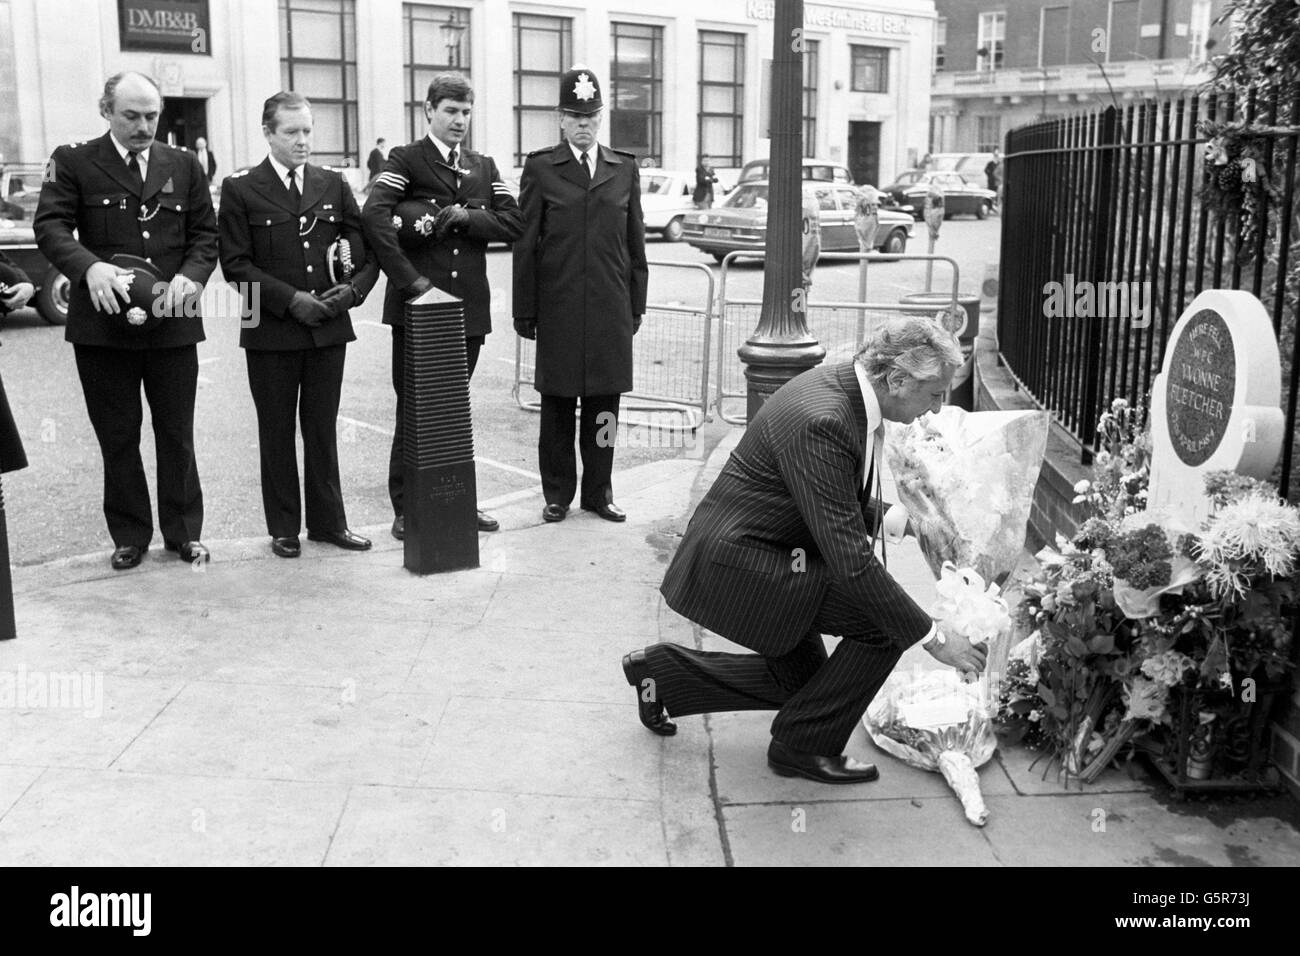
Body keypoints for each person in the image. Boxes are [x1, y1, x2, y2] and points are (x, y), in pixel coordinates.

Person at [621, 316, 987, 783]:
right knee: (885, 624)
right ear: (897, 379)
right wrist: (934, 638)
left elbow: (826, 495)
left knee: (809, 687)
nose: (938, 407)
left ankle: (662, 675)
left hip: (766, 550)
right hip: (742, 564)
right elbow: (852, 563)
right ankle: (803, 747)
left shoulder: (845, 387)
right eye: (935, 393)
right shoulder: (826, 419)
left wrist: (908, 521)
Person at [34, 71, 218, 571]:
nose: (143, 126)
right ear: (106, 111)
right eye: (131, 115)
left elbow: (205, 233)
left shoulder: (182, 164)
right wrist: (87, 266)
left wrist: (192, 278)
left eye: (151, 116)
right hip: (104, 325)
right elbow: (50, 225)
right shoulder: (73, 161)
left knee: (177, 432)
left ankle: (184, 533)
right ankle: (130, 534)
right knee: (117, 434)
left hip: (172, 319)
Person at [218, 91, 380, 559]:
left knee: (322, 428)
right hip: (270, 329)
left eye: (308, 131)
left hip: (328, 325)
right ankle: (284, 527)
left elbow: (363, 249)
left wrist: (352, 293)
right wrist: (291, 301)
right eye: (291, 132)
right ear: (268, 132)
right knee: (276, 429)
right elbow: (235, 265)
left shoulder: (332, 183)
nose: (302, 141)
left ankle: (330, 524)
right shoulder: (242, 187)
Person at [362, 73, 523, 541]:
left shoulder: (483, 166)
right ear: (429, 110)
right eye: (451, 111)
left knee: (454, 408)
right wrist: (410, 282)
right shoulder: (406, 159)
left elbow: (515, 221)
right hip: (418, 306)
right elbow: (375, 214)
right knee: (413, 407)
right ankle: (406, 506)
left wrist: (469, 217)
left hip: (466, 309)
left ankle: (456, 500)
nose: (459, 120)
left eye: (466, 112)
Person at [512, 66, 647, 525]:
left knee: (604, 409)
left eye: (591, 115)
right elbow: (526, 243)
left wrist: (636, 304)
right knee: (557, 405)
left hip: (610, 308)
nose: (584, 124)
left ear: (602, 117)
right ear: (560, 119)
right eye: (575, 115)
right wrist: (524, 309)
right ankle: (557, 494)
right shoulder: (542, 168)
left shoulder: (623, 168)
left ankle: (599, 492)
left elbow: (635, 244)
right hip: (559, 307)